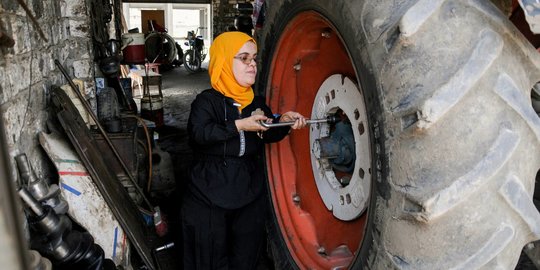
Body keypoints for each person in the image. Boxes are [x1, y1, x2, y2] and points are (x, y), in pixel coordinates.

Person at [182, 31, 306, 269]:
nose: (252, 65)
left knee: (246, 256)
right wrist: (240, 125)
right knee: (208, 257)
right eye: (244, 58)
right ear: (225, 61)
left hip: (248, 187)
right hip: (209, 188)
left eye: (255, 58)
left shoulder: (255, 102)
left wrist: (286, 122)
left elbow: (268, 130)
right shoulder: (206, 101)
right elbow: (199, 135)